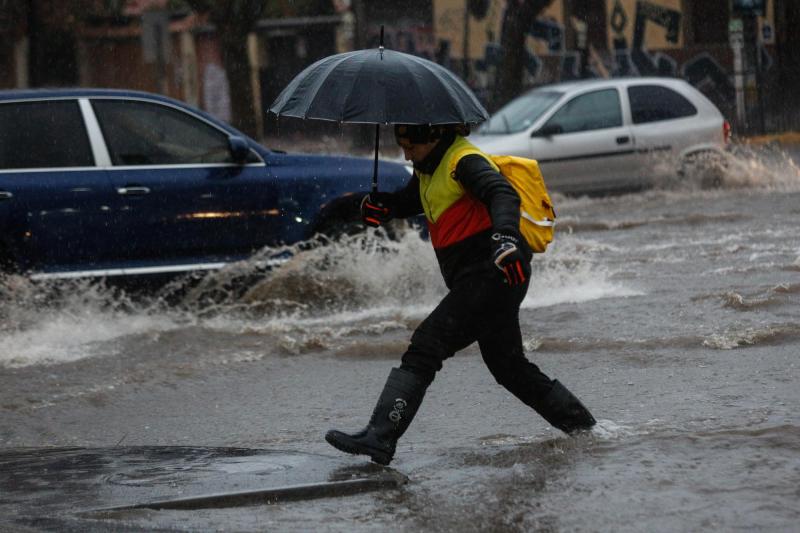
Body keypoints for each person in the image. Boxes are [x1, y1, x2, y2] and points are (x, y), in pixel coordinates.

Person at [325, 124, 595, 465]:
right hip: (481, 279)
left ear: (433, 136)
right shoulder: (428, 166)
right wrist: (383, 206)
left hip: (495, 273)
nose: (406, 153)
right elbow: (412, 201)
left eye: (411, 145)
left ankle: (380, 436)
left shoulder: (463, 161)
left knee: (426, 346)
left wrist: (507, 238)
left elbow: (502, 194)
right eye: (401, 145)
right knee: (509, 368)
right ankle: (584, 429)